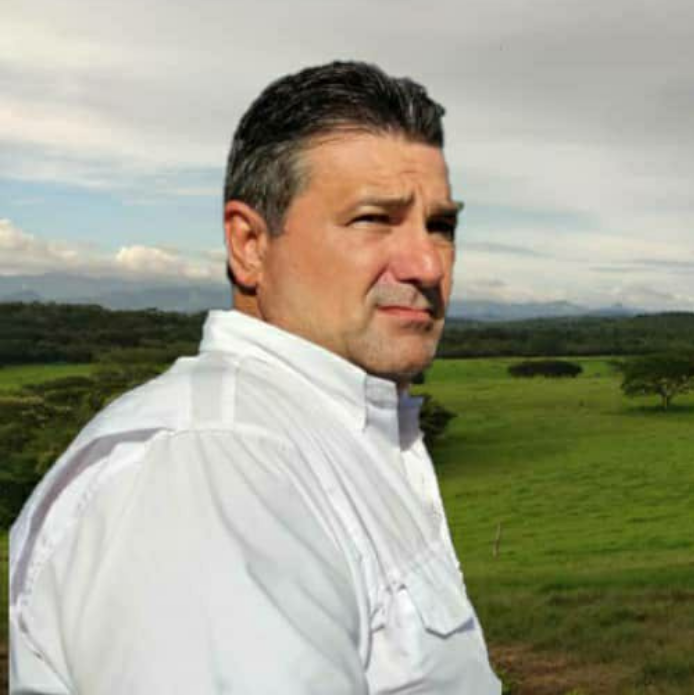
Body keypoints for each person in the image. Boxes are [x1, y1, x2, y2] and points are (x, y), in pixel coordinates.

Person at [7, 61, 503, 693]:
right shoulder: (212, 466)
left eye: (441, 226)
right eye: (374, 218)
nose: (428, 264)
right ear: (250, 244)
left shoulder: (322, 436)